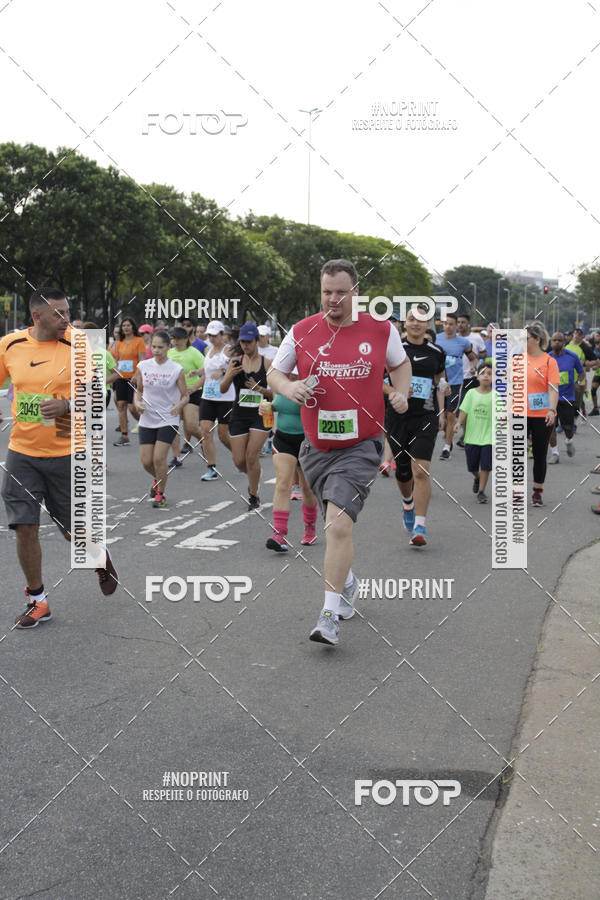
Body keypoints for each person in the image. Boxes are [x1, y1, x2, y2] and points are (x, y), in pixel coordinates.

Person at [268, 259, 411, 647]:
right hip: (315, 447)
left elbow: (401, 365)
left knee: (338, 525)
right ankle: (346, 581)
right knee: (335, 527)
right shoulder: (302, 330)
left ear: (356, 292)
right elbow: (275, 373)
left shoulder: (380, 330)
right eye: (327, 292)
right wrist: (289, 388)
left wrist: (401, 392)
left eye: (341, 292)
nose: (333, 299)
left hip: (362, 445)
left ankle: (328, 616)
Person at [0, 288, 118, 628]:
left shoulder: (79, 344)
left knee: (72, 531)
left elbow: (97, 394)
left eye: (67, 311)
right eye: (59, 314)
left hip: (67, 450)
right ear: (37, 316)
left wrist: (66, 405)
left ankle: (99, 556)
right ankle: (37, 601)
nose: (66, 319)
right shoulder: (10, 345)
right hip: (22, 452)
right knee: (25, 525)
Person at [385, 307, 446, 545]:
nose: (416, 323)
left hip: (426, 416)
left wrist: (443, 408)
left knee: (421, 470)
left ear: (428, 324)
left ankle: (420, 526)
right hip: (398, 417)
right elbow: (377, 380)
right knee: (403, 471)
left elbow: (440, 381)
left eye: (422, 320)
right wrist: (396, 391)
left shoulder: (436, 352)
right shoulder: (393, 349)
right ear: (405, 323)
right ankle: (407, 503)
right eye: (412, 319)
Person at [259, 383, 319, 551]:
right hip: (283, 438)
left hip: (308, 440)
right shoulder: (279, 381)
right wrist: (268, 407)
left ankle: (310, 528)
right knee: (282, 484)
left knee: (307, 488)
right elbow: (278, 404)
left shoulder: (311, 382)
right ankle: (279, 534)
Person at [219, 321, 273, 508]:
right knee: (239, 460)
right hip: (239, 414)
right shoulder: (236, 362)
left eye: (249, 341)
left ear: (256, 341)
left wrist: (260, 389)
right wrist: (229, 375)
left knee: (251, 456)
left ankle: (253, 494)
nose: (245, 345)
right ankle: (254, 474)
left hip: (261, 414)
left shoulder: (267, 363)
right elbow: (223, 389)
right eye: (242, 342)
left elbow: (277, 394)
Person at [133, 330, 188, 508]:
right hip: (147, 417)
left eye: (160, 347)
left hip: (168, 418)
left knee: (158, 459)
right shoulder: (143, 366)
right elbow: (139, 390)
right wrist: (137, 403)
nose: (156, 350)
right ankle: (158, 478)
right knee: (146, 461)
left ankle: (161, 494)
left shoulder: (176, 369)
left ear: (168, 347)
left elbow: (185, 396)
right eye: (153, 347)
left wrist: (179, 406)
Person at [525, 323, 560, 506]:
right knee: (515, 453)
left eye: (526, 338)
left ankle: (537, 491)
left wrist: (551, 410)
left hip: (541, 414)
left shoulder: (549, 361)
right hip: (519, 412)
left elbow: (553, 389)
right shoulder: (517, 360)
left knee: (539, 453)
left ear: (537, 339)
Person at [435, 313, 477, 460]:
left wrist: (473, 367)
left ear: (456, 326)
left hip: (455, 382)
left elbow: (473, 358)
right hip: (439, 382)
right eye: (445, 324)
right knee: (441, 415)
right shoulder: (436, 339)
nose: (448, 326)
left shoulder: (463, 342)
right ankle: (448, 436)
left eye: (451, 324)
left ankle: (447, 448)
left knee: (451, 414)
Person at [196, 320, 234, 481]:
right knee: (205, 432)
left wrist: (223, 372)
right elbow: (207, 370)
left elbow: (237, 367)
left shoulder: (229, 350)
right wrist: (197, 372)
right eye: (209, 335)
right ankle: (211, 468)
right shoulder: (207, 349)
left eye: (214, 335)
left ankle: (239, 456)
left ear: (222, 335)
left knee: (223, 435)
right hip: (208, 396)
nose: (211, 338)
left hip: (225, 397)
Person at [455, 362, 494, 503]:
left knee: (486, 466)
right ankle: (477, 477)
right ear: (477, 376)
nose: (486, 376)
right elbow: (464, 410)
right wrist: (459, 423)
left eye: (490, 374)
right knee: (472, 466)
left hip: (489, 437)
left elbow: (501, 415)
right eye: (483, 373)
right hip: (471, 437)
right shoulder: (471, 393)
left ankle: (482, 492)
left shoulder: (496, 396)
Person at [167, 326, 205, 456]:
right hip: (173, 394)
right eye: (173, 338)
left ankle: (205, 441)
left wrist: (194, 387)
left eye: (178, 338)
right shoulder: (169, 353)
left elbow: (207, 372)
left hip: (192, 393)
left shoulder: (194, 353)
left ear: (186, 339)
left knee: (191, 426)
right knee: (172, 427)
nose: (175, 341)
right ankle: (176, 457)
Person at [547, 332, 584, 463]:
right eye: (554, 340)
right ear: (551, 342)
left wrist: (577, 383)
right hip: (551, 398)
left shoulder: (572, 356)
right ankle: (555, 453)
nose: (556, 342)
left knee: (568, 428)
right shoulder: (547, 358)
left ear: (564, 342)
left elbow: (581, 373)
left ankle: (569, 441)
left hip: (567, 397)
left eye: (559, 340)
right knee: (550, 426)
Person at [111, 317, 145, 446]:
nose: (126, 327)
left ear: (133, 327)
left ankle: (146, 424)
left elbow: (142, 361)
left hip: (134, 378)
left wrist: (136, 375)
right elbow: (115, 360)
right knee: (121, 405)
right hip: (121, 377)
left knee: (133, 406)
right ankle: (124, 435)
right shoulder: (119, 342)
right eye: (124, 325)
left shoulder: (139, 341)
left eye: (128, 325)